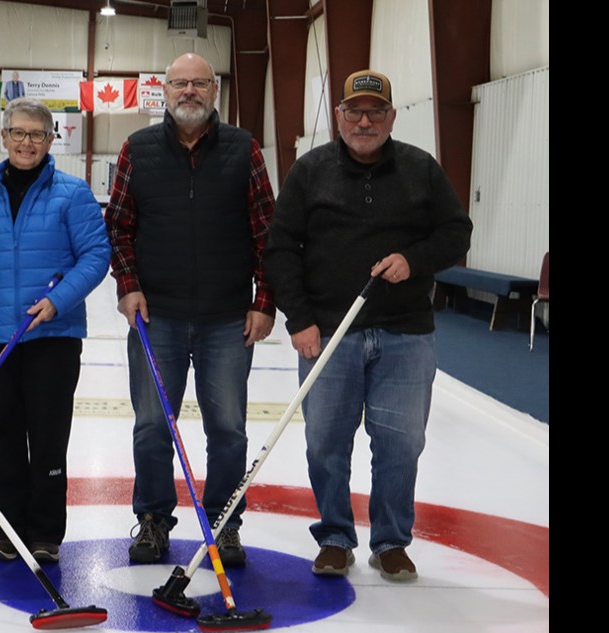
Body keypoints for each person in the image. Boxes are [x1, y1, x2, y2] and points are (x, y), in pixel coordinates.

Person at [264, 69, 473, 581]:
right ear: (338, 117)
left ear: (391, 118)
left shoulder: (421, 169)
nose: (364, 121)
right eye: (354, 112)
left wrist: (414, 259)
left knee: (401, 442)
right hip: (329, 335)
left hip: (406, 334)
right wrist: (301, 320)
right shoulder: (310, 171)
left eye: (375, 112)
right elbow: (280, 247)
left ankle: (391, 542)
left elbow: (456, 234)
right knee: (325, 442)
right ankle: (335, 536)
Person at [105, 52, 276, 566]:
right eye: (179, 83)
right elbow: (118, 225)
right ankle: (154, 519)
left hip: (228, 319)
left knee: (228, 429)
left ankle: (223, 524)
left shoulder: (245, 149)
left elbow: (268, 233)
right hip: (158, 317)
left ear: (215, 89)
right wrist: (128, 288)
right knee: (153, 425)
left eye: (199, 83)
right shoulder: (138, 149)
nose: (189, 92)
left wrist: (264, 301)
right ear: (165, 89)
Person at [0, 97, 110, 563]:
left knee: (49, 435)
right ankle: (8, 530)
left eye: (37, 134)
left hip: (53, 336)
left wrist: (58, 300)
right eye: (18, 133)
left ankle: (45, 534)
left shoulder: (72, 194)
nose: (27, 143)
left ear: (52, 140)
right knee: (4, 435)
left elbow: (96, 256)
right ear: (4, 137)